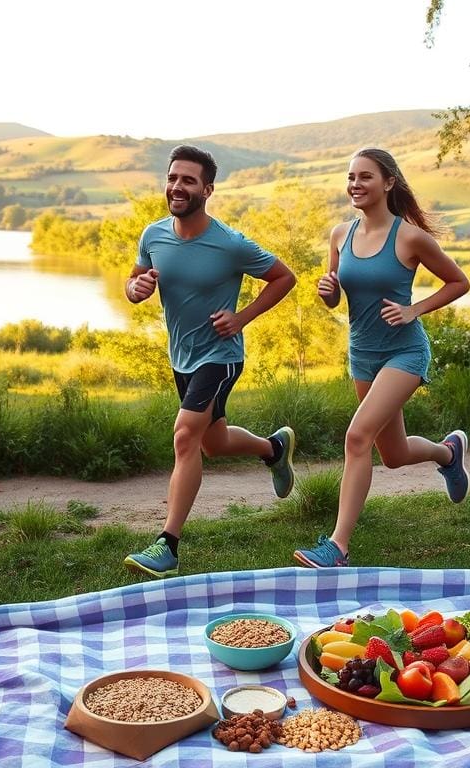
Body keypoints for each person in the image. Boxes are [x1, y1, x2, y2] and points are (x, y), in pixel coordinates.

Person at [123, 145, 298, 579]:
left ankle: (167, 545)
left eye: (187, 180)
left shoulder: (230, 243)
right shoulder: (153, 235)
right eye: (172, 178)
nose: (176, 187)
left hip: (220, 357)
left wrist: (241, 318)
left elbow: (284, 277)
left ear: (207, 188)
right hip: (181, 356)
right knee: (211, 443)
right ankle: (273, 448)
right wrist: (135, 289)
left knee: (185, 436)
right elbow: (133, 279)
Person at [293, 147, 470, 569]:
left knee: (357, 438)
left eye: (365, 176)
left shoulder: (408, 236)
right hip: (363, 355)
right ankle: (448, 453)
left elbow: (458, 282)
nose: (355, 184)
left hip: (404, 352)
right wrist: (328, 294)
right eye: (351, 176)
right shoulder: (340, 234)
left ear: (388, 182)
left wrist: (415, 309)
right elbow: (337, 297)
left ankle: (337, 547)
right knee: (391, 455)